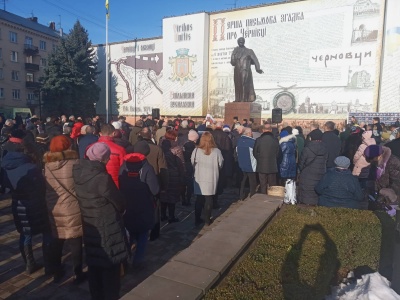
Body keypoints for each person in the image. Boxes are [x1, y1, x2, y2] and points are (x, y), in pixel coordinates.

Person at [73, 143, 128, 300]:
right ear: (104, 159)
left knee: (94, 262)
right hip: (106, 223)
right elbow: (118, 201)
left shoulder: (78, 171)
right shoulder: (102, 178)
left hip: (88, 220)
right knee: (110, 264)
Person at [1, 143, 51, 274]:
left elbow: (4, 188)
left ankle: (29, 264)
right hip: (36, 203)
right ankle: (49, 263)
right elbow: (42, 187)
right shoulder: (31, 168)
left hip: (18, 204)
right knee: (47, 231)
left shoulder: (5, 167)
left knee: (25, 234)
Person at [43, 135, 85, 284]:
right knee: (75, 241)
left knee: (57, 240)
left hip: (54, 208)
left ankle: (56, 271)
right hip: (73, 207)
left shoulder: (47, 166)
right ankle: (77, 272)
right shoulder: (76, 163)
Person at [119, 143, 159, 268]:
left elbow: (120, 184)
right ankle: (138, 260)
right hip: (143, 205)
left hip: (127, 204)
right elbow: (155, 190)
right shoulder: (147, 168)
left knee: (129, 232)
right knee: (142, 234)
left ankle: (126, 258)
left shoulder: (123, 166)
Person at [192, 132, 224, 225]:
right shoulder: (217, 151)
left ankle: (197, 219)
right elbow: (221, 164)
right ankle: (207, 219)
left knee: (199, 198)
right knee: (209, 198)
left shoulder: (196, 151)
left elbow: (192, 162)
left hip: (199, 177)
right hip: (211, 177)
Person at [160, 130, 185, 223]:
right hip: (174, 175)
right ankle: (171, 216)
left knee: (163, 196)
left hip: (163, 173)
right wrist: (182, 175)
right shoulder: (176, 149)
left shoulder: (160, 148)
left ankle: (162, 215)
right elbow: (181, 164)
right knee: (172, 197)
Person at [298, 129, 327, 205]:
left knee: (306, 193)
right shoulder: (325, 148)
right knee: (316, 191)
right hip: (320, 173)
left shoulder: (307, 148)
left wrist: (301, 170)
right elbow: (325, 161)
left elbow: (301, 163)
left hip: (307, 174)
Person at [230, 37, 263, 102]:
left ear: (244, 42)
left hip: (245, 70)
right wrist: (233, 54)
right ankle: (238, 99)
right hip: (237, 71)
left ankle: (244, 99)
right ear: (238, 42)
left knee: (243, 83)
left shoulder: (249, 51)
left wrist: (258, 68)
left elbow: (255, 60)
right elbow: (233, 63)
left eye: (242, 41)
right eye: (239, 41)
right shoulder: (235, 51)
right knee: (237, 84)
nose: (241, 42)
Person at [253, 123, 281, 193]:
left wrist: (259, 159)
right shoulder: (275, 140)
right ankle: (271, 200)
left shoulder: (258, 140)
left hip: (261, 165)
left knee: (263, 184)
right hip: (272, 165)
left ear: (263, 130)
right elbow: (278, 153)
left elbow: (255, 152)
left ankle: (263, 198)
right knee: (272, 185)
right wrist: (274, 159)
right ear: (271, 130)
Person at [97, 123, 126, 188]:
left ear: (100, 134)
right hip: (114, 184)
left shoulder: (90, 148)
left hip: (95, 184)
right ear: (113, 133)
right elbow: (123, 169)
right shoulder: (120, 150)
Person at [236, 127, 257, 200]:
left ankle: (241, 195)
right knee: (252, 180)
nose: (252, 134)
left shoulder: (239, 141)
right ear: (248, 133)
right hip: (251, 164)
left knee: (242, 180)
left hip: (241, 164)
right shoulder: (253, 142)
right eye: (251, 132)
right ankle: (252, 194)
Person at [182, 130, 199, 206]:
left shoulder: (184, 145)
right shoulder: (195, 147)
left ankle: (183, 198)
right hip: (190, 165)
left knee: (184, 183)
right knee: (189, 184)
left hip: (184, 165)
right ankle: (188, 199)